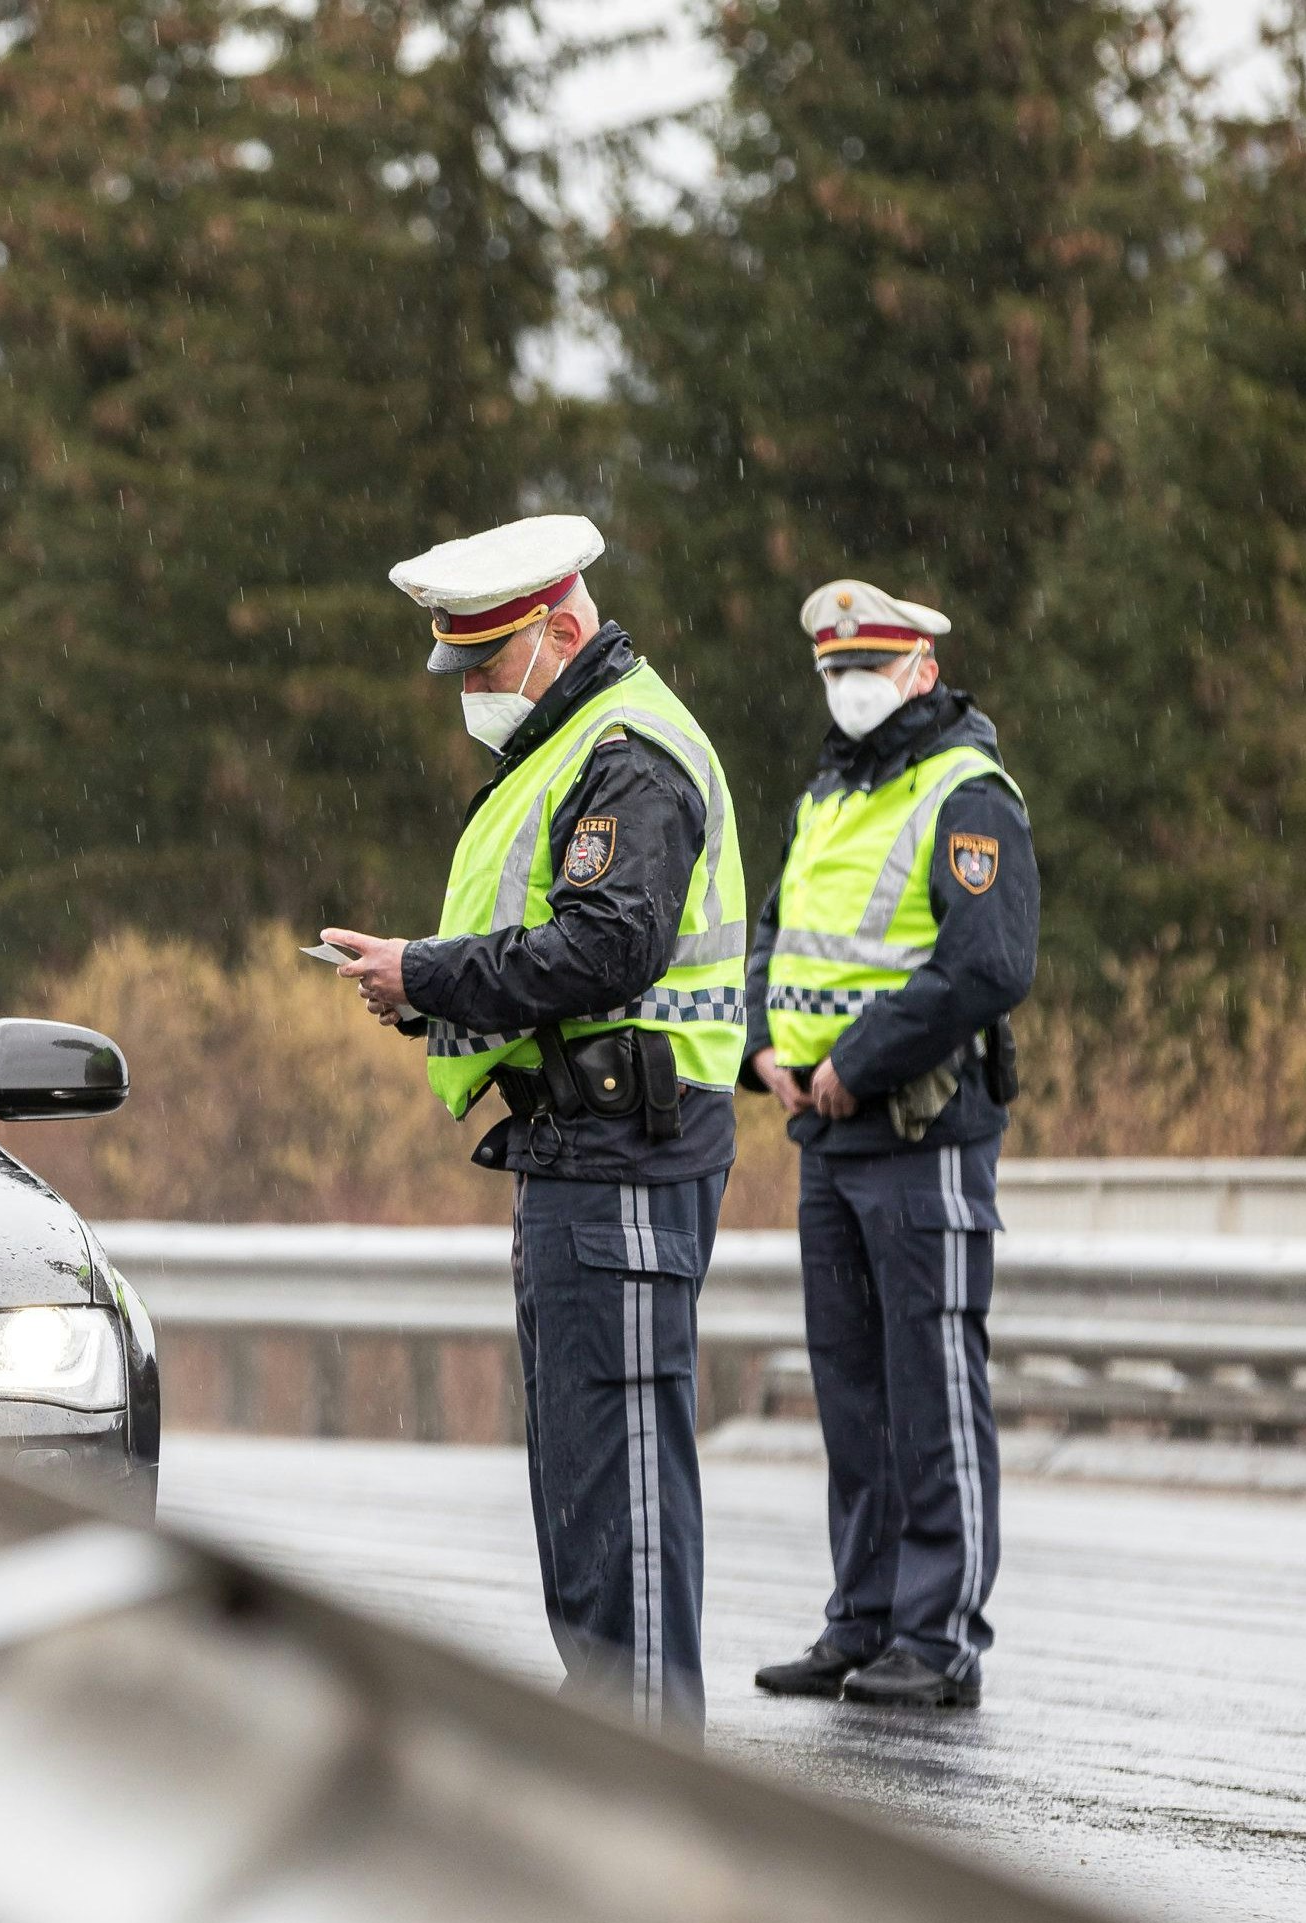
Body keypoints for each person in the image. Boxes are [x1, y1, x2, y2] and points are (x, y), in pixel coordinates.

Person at [323, 514, 746, 1736]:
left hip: (624, 1147)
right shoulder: (573, 745)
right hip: (578, 1144)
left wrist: (433, 973)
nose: (472, 692)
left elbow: (609, 945)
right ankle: (611, 1747)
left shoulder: (627, 752)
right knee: (582, 1473)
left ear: (562, 630)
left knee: (618, 1476)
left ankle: (651, 1770)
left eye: (489, 662)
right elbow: (555, 956)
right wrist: (420, 989)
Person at [741, 579, 1036, 1712]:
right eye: (831, 670)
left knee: (930, 1387)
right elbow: (775, 932)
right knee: (851, 1391)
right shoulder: (827, 791)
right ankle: (860, 1620)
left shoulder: (966, 792)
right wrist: (759, 1047)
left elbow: (984, 965)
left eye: (866, 667)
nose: (847, 688)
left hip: (920, 1135)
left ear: (919, 669)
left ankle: (939, 1635)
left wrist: (852, 1063)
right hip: (821, 1133)